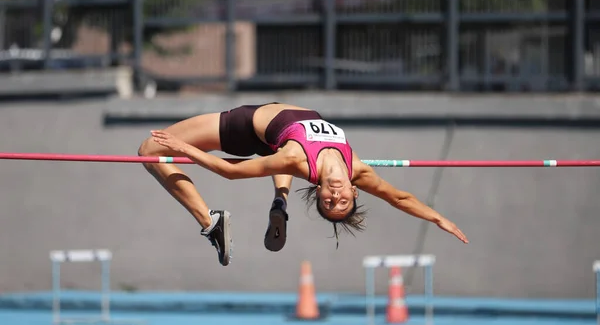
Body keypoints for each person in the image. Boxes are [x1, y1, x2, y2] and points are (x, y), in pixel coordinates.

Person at [138, 102, 468, 266]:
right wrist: (438, 217)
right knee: (275, 156)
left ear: (320, 193)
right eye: (342, 201)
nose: (336, 196)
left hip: (248, 128)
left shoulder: (297, 160)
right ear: (354, 191)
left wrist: (184, 149)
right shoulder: (358, 169)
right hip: (277, 141)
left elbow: (230, 171)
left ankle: (211, 222)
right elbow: (399, 197)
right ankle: (280, 199)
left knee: (149, 151)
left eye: (329, 202)